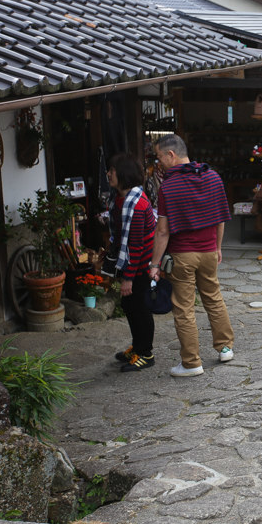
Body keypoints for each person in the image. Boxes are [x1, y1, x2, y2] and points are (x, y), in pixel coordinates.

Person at [149, 133, 234, 377]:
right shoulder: (213, 177)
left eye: (159, 157)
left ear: (171, 155)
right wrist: (217, 248)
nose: (158, 162)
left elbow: (162, 232)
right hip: (208, 252)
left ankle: (191, 363)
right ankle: (225, 348)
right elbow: (221, 219)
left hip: (182, 256)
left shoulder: (168, 186)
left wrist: (154, 264)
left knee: (184, 309)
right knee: (214, 298)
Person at [108, 153, 157, 372]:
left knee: (139, 307)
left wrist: (128, 278)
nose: (108, 174)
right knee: (130, 305)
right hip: (133, 263)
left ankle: (146, 353)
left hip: (140, 265)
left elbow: (135, 246)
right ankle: (137, 347)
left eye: (113, 171)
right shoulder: (121, 198)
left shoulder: (135, 204)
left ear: (124, 174)